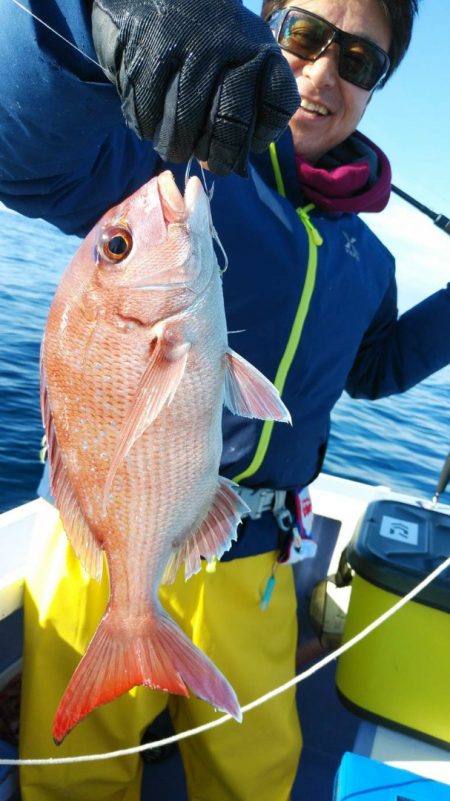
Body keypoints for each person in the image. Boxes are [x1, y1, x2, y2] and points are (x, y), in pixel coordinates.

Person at [1, 0, 449, 799]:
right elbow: (22, 156)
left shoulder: (368, 257)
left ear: (378, 85)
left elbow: (373, 368)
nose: (321, 73)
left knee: (254, 777)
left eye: (358, 61)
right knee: (72, 778)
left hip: (255, 558)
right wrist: (93, 13)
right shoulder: (170, 168)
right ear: (263, 31)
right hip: (100, 548)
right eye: (305, 36)